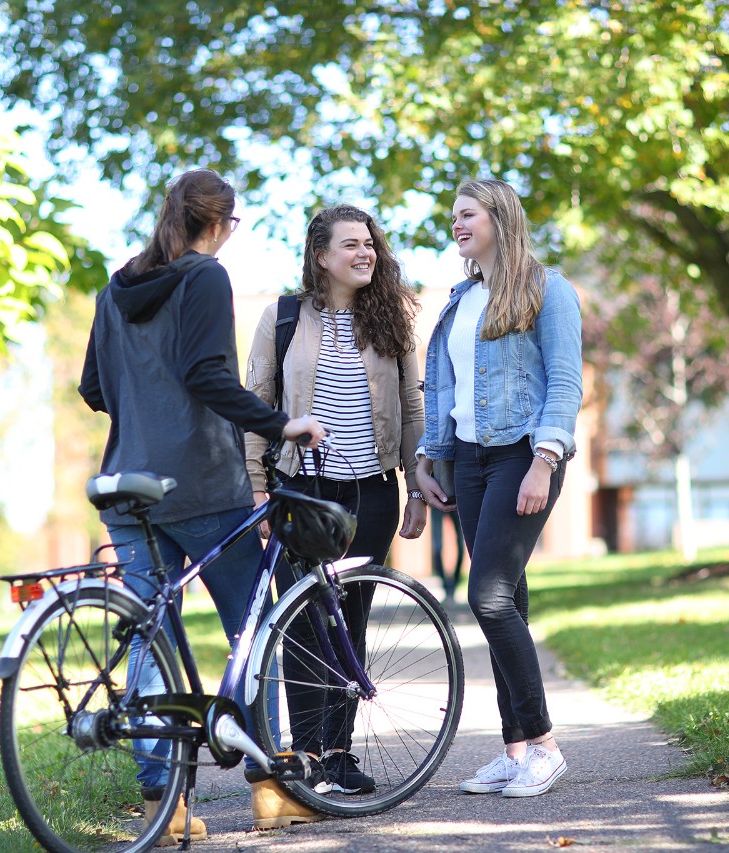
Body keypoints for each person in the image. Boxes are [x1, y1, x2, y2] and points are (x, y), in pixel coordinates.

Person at [78, 168, 327, 842]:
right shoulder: (204, 276)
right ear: (218, 221)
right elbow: (206, 376)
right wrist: (282, 424)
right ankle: (270, 787)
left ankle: (165, 805)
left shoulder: (115, 286)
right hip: (202, 482)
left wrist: (142, 405)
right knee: (256, 627)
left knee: (149, 633)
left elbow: (92, 387)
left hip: (126, 484)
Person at [244, 204, 426, 797]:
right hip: (302, 490)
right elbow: (258, 408)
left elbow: (413, 406)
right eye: (351, 244)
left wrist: (417, 488)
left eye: (370, 243)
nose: (365, 252)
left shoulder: (392, 319)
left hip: (371, 491)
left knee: (352, 618)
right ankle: (308, 754)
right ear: (321, 257)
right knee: (301, 624)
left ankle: (341, 753)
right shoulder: (282, 318)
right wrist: (256, 488)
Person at [414, 178, 583, 799]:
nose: (456, 224)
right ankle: (515, 753)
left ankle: (543, 744)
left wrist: (544, 459)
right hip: (469, 460)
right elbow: (444, 389)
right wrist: (430, 457)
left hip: (523, 454)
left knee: (486, 597)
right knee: (508, 597)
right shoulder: (461, 300)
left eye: (467, 213)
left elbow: (564, 383)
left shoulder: (548, 288)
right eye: (452, 215)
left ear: (499, 217)